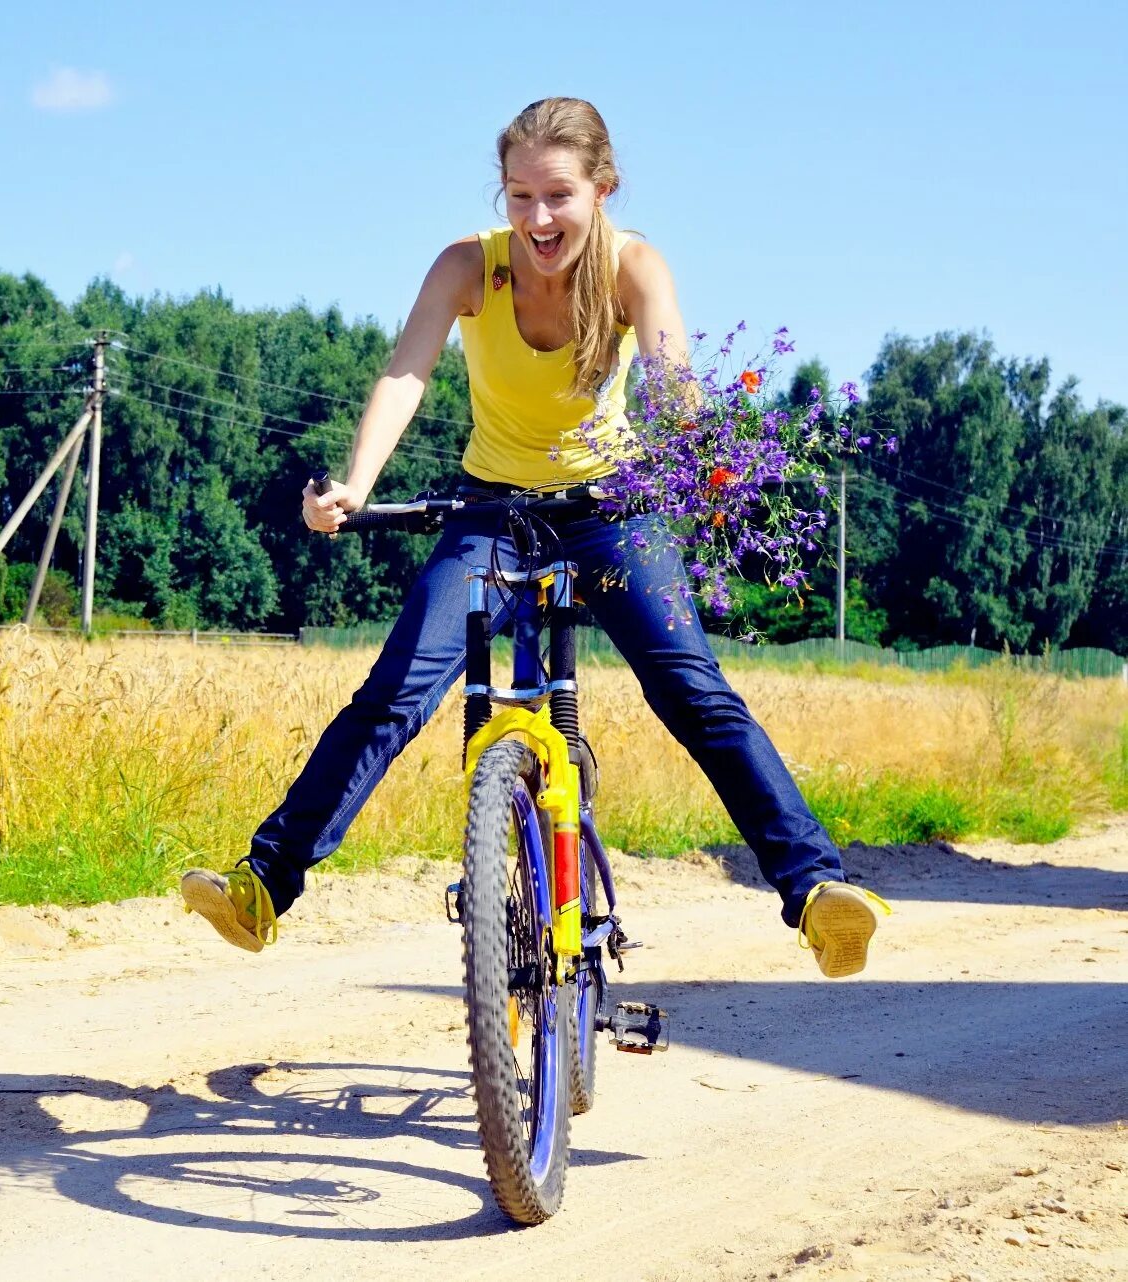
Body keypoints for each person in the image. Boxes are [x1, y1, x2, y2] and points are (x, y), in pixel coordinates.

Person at [179, 97, 888, 978]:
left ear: (601, 189)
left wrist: (704, 456)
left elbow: (670, 382)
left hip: (612, 513)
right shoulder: (468, 268)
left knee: (693, 692)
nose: (537, 219)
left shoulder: (633, 267)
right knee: (396, 690)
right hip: (493, 512)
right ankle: (263, 886)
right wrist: (355, 486)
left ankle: (818, 894)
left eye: (557, 196)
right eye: (519, 197)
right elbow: (408, 371)